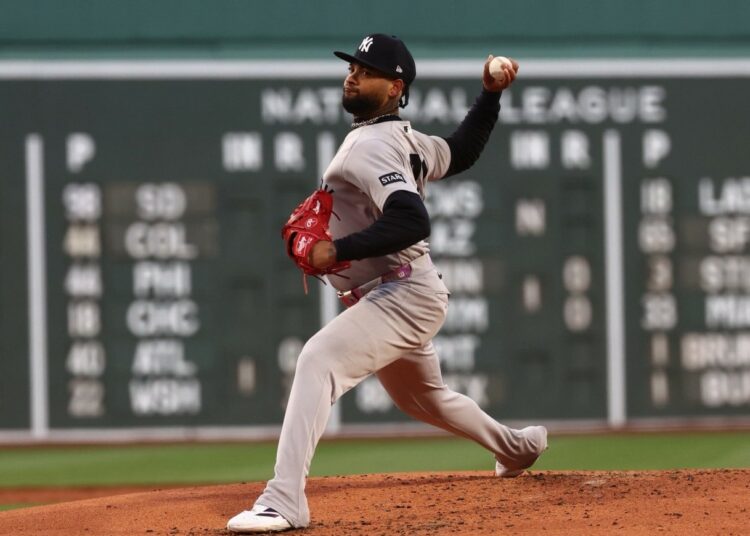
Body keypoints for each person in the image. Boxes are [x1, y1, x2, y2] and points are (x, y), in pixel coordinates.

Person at [227, 33, 548, 533]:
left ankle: (283, 501)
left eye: (366, 69)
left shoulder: (371, 146)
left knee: (317, 360)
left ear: (396, 86)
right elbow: (460, 151)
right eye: (351, 66)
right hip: (404, 289)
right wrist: (490, 95)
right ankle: (518, 447)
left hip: (402, 292)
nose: (352, 74)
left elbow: (412, 220)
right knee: (425, 398)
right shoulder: (406, 140)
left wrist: (339, 249)